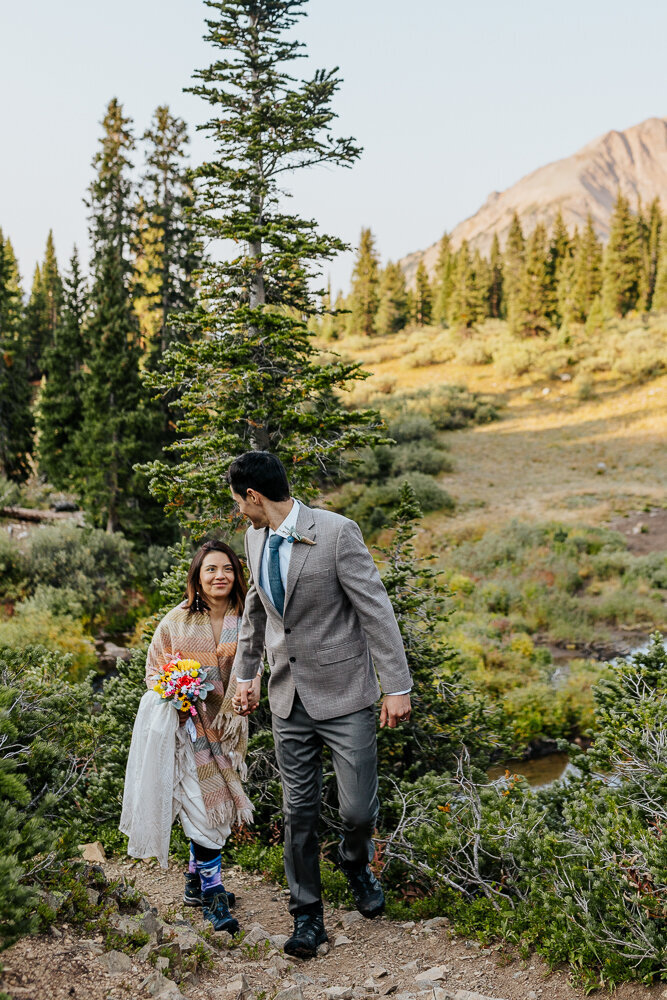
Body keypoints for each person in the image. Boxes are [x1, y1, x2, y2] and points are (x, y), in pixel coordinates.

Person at [228, 451, 412, 958]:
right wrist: (246, 674)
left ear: (254, 496)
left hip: (348, 694)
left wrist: (396, 685)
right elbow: (256, 613)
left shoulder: (335, 532)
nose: (240, 512)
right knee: (299, 811)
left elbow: (375, 608)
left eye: (239, 502)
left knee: (356, 810)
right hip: (288, 696)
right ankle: (307, 914)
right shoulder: (254, 538)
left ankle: (356, 860)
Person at [120, 541, 256, 935]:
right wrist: (175, 692)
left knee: (221, 812)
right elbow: (153, 670)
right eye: (211, 569)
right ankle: (213, 896)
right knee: (205, 812)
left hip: (229, 729)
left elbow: (260, 661)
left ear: (236, 575)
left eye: (227, 569)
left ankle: (195, 881)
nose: (220, 576)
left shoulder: (245, 617)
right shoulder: (177, 621)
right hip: (188, 732)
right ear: (197, 576)